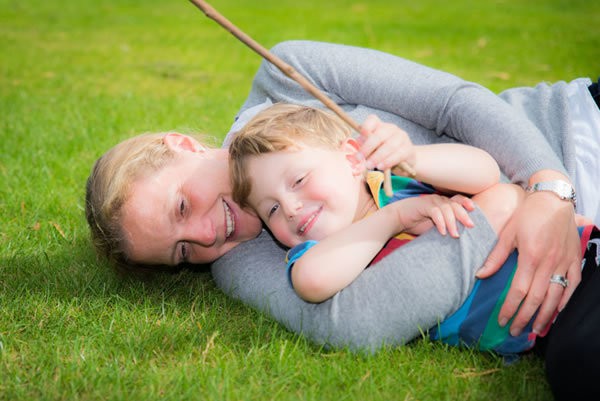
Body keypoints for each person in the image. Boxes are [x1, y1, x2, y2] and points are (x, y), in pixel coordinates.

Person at [85, 40, 600, 400]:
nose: (204, 234)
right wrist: (497, 210)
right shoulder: (238, 262)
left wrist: (547, 188)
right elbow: (351, 322)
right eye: (181, 252)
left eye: (181, 206)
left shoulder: (288, 77)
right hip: (564, 265)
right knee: (582, 364)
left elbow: (452, 104)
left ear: (179, 145)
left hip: (576, 136)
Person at [228, 102, 596, 359]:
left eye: (298, 179)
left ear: (353, 158)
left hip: (577, 258)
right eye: (271, 208)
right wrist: (395, 218)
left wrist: (416, 159)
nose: (290, 208)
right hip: (541, 328)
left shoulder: (397, 182)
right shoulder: (324, 252)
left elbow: (484, 171)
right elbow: (310, 281)